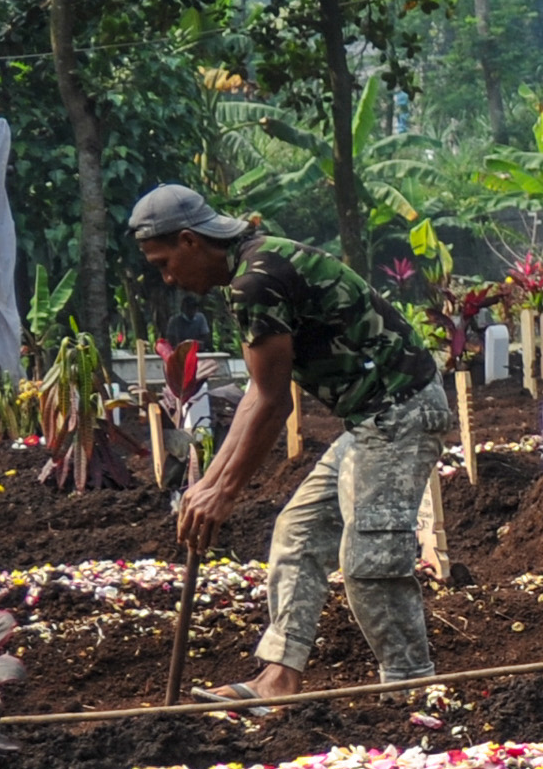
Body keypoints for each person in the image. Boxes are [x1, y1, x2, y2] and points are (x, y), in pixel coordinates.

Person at [133, 183, 446, 702]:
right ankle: (278, 679)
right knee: (298, 534)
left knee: (371, 561)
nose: (168, 278)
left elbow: (272, 402)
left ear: (190, 241)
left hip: (401, 411)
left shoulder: (256, 280)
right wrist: (205, 485)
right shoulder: (254, 267)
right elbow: (259, 396)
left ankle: (412, 691)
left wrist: (224, 492)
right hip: (371, 418)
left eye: (165, 262)